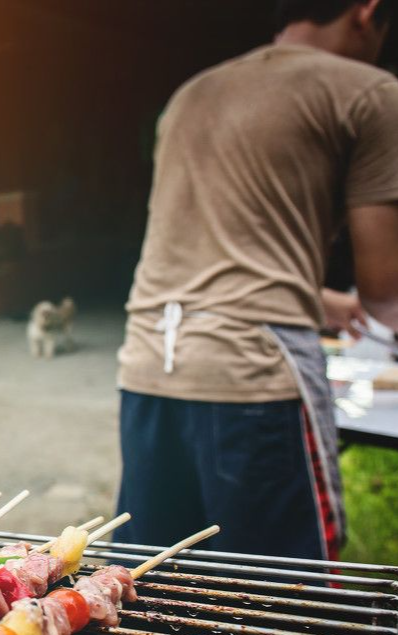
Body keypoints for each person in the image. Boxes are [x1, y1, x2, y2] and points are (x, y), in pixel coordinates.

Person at [116, 0, 398, 560]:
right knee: (283, 602)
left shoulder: (191, 94)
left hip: (148, 371)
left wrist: (319, 300)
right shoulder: (370, 93)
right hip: (253, 380)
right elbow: (385, 289)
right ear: (367, 12)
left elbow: (203, 260)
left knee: (156, 587)